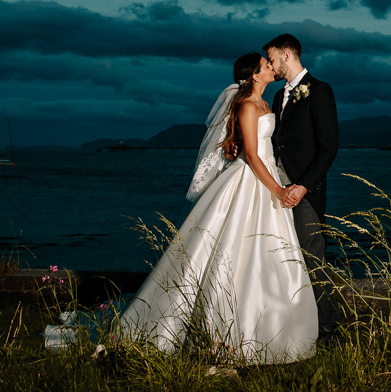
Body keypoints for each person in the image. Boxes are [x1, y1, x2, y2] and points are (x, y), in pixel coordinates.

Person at [117, 53, 317, 363]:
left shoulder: (266, 103)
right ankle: (225, 331)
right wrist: (277, 189)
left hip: (265, 176)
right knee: (232, 251)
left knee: (267, 254)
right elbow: (252, 156)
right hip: (252, 181)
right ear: (253, 75)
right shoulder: (249, 106)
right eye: (266, 64)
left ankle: (272, 328)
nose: (270, 66)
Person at [263, 33, 339, 342]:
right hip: (276, 189)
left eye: (271, 58)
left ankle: (329, 331)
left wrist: (303, 187)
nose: (270, 64)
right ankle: (294, 327)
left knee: (313, 260)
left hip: (305, 193)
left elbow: (328, 147)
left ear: (286, 55)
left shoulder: (319, 91)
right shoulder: (280, 96)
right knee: (282, 258)